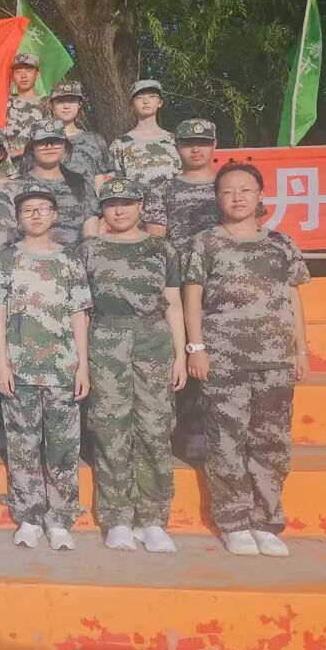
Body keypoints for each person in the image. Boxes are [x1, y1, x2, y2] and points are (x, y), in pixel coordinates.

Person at [183, 163, 310, 558]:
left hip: (275, 360)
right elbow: (192, 297)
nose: (237, 197)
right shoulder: (205, 243)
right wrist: (196, 348)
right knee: (226, 441)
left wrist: (301, 350)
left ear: (260, 196)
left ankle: (266, 520)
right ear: (217, 198)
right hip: (224, 359)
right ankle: (234, 521)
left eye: (245, 190)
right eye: (227, 191)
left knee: (272, 443)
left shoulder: (281, 244)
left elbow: (293, 298)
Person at [79, 178, 187, 553]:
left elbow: (174, 304)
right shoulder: (89, 251)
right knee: (110, 428)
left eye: (126, 203)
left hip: (153, 340)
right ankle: (118, 518)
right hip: (106, 338)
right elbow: (82, 310)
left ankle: (153, 519)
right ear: (102, 211)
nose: (119, 210)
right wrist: (82, 359)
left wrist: (181, 354)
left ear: (141, 207)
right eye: (111, 204)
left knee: (155, 428)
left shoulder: (161, 249)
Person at [0, 183, 91, 551]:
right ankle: (30, 517)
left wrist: (82, 366)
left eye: (43, 208)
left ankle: (60, 518)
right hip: (20, 369)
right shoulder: (6, 260)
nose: (35, 215)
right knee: (22, 445)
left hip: (62, 368)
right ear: (18, 218)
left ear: (55, 215)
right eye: (28, 209)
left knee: (63, 446)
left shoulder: (70, 260)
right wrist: (2, 364)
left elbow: (79, 314)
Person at [144, 118, 221, 461]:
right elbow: (156, 241)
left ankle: (213, 430)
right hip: (178, 286)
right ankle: (185, 432)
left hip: (220, 287)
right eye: (188, 143)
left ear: (214, 145)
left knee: (218, 361)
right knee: (180, 358)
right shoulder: (163, 188)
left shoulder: (229, 185)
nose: (195, 149)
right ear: (176, 148)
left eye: (202, 142)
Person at [13, 121, 99, 245]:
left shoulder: (80, 184)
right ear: (32, 147)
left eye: (55, 141)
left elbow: (91, 233)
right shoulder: (16, 185)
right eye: (42, 142)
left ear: (64, 145)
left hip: (73, 255)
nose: (49, 147)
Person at [109, 80, 181, 190]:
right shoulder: (119, 145)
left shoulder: (176, 141)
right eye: (139, 97)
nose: (146, 101)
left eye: (152, 96)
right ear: (132, 105)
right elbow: (114, 188)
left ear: (160, 102)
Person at [48, 81, 111, 190]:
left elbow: (103, 179)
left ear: (80, 104)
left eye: (72, 101)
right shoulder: (42, 142)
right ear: (51, 105)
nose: (66, 106)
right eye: (61, 101)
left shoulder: (95, 140)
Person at [4, 53, 49, 160]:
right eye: (18, 71)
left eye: (29, 71)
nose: (23, 76)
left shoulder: (47, 104)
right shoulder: (4, 102)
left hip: (37, 164)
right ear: (12, 76)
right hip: (7, 166)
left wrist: (21, 151)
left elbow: (54, 139)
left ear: (37, 74)